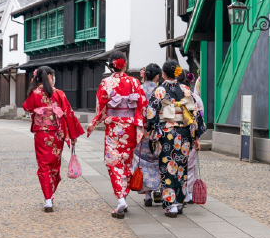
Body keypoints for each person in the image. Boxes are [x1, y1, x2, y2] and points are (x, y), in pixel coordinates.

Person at [87, 50, 147, 219]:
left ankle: (120, 198)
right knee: (127, 162)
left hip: (114, 128)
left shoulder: (106, 83)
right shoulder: (135, 82)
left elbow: (101, 106)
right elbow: (142, 104)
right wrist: (140, 126)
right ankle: (124, 196)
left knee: (114, 163)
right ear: (124, 64)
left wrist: (94, 123)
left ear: (111, 64)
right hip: (129, 128)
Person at [146, 60, 206, 218]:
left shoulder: (159, 91)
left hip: (167, 134)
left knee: (168, 169)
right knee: (181, 167)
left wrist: (152, 133)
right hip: (184, 134)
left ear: (164, 74)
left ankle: (170, 205)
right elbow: (195, 115)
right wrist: (196, 137)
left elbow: (151, 114)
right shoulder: (186, 90)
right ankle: (179, 202)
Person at [22, 66, 84, 212]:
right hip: (57, 134)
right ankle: (50, 194)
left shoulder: (35, 93)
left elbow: (27, 107)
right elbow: (68, 114)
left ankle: (48, 198)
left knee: (43, 166)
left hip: (41, 134)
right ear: (50, 76)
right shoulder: (59, 94)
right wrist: (72, 135)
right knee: (54, 165)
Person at [134, 63, 162, 207]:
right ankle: (157, 189)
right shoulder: (160, 91)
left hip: (142, 130)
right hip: (157, 130)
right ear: (157, 76)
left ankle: (147, 196)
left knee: (143, 160)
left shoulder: (138, 89)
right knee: (157, 159)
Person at [183, 73, 205, 204]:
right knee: (190, 166)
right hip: (191, 135)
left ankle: (181, 192)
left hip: (175, 135)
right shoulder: (196, 98)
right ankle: (189, 194)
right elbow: (200, 118)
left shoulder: (173, 97)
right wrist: (197, 138)